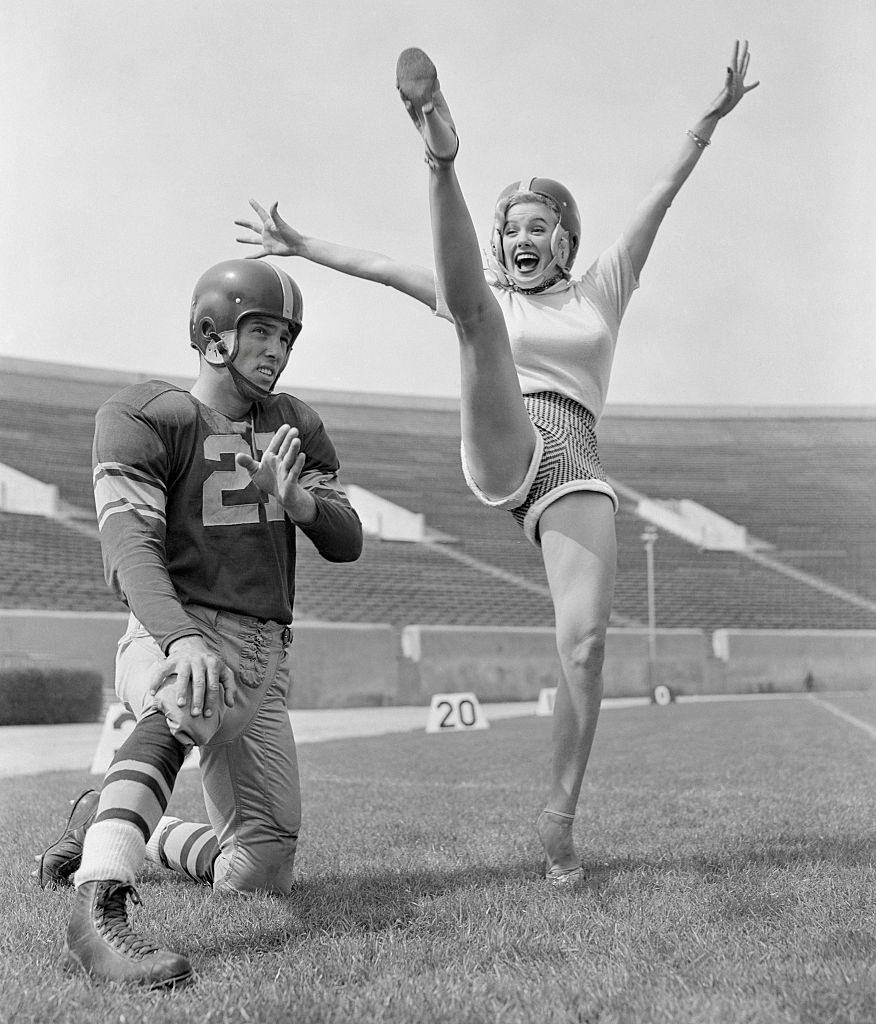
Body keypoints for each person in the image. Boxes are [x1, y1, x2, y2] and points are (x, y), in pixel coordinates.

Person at [233, 42, 758, 887]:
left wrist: (706, 124)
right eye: (509, 227)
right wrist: (301, 243)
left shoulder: (604, 289)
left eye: (536, 226)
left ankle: (559, 820)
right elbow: (384, 267)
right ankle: (439, 151)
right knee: (473, 316)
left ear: (566, 238)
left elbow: (660, 199)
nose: (521, 237)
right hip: (506, 427)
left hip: (577, 457)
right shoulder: (489, 291)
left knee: (584, 647)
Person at [36, 258, 363, 987]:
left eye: (287, 336)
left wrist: (303, 503)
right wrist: (181, 638)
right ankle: (98, 909)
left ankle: (106, 823)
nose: (277, 350)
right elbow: (128, 546)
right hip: (180, 631)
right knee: (184, 696)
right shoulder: (146, 416)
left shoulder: (293, 425)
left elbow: (348, 539)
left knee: (261, 870)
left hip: (267, 662)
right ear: (212, 334)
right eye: (263, 332)